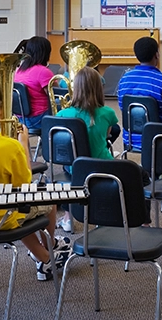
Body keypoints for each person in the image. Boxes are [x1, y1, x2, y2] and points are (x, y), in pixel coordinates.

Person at [0, 82, 70, 281]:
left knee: (12, 206)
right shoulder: (9, 146)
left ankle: (41, 252)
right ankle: (46, 253)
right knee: (49, 199)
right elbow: (24, 187)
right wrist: (23, 144)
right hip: (1, 219)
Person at [56, 66, 122, 230]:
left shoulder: (61, 115)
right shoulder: (107, 112)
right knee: (136, 172)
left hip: (75, 167)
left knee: (69, 171)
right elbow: (109, 135)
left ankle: (67, 217)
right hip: (102, 165)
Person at [117, 36, 162, 148]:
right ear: (156, 54)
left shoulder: (124, 80)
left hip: (131, 138)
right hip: (159, 139)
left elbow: (124, 108)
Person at [13, 36, 55, 132]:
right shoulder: (43, 71)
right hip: (37, 119)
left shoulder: (19, 70)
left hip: (20, 118)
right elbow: (55, 94)